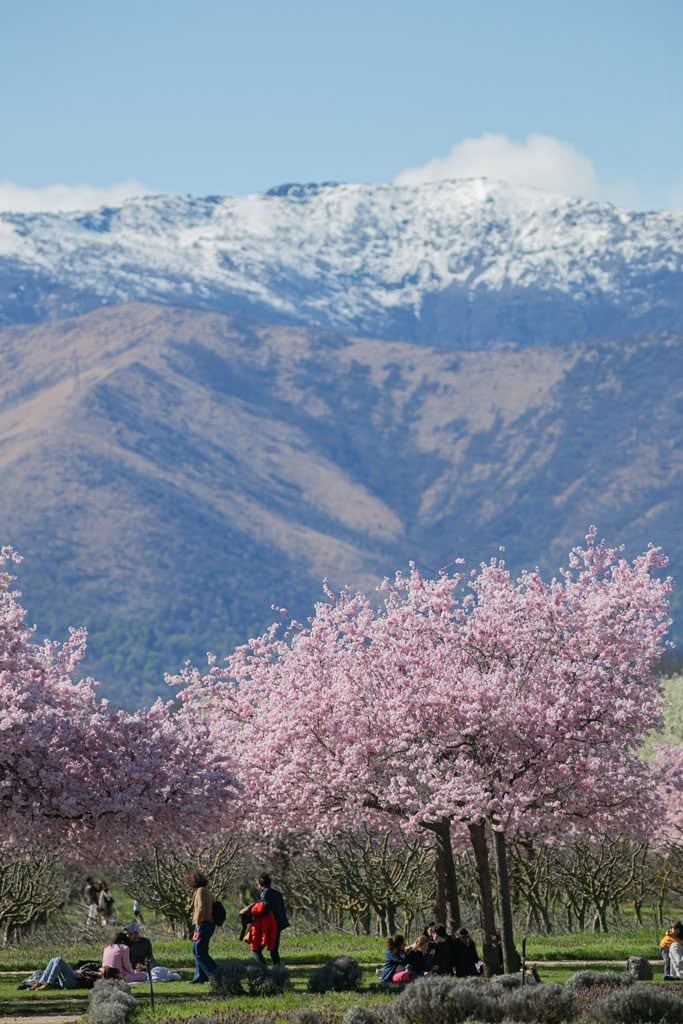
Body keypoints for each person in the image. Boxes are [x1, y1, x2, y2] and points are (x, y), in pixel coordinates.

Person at [187, 869, 218, 983]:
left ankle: (216, 974)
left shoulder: (200, 890)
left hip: (203, 924)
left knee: (198, 951)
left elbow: (201, 908)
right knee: (202, 951)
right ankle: (200, 976)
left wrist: (198, 923)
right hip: (208, 923)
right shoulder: (206, 890)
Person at [257, 873, 290, 965]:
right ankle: (279, 971)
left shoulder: (264, 894)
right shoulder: (277, 893)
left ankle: (263, 970)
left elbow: (265, 909)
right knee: (274, 950)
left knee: (257, 949)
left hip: (270, 924)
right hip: (279, 923)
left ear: (260, 884)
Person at [27, 958, 102, 990]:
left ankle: (49, 984)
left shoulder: (104, 977)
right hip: (70, 979)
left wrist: (95, 974)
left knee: (59, 960)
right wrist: (92, 972)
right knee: (54, 959)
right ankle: (41, 982)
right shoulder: (98, 965)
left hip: (74, 983)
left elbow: (90, 983)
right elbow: (84, 967)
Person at [245, 900, 278, 967]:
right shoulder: (270, 915)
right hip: (265, 940)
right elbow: (273, 931)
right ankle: (263, 968)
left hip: (257, 941)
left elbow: (254, 933)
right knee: (258, 952)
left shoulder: (256, 917)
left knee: (255, 952)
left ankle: (262, 969)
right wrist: (270, 944)